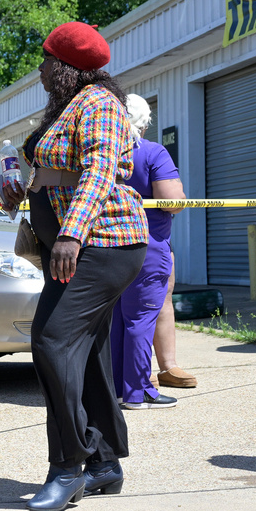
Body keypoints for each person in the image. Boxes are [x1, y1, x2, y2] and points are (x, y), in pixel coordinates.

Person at [1, 22, 149, 511]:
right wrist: (24, 193)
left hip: (104, 245)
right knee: (85, 351)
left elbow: (100, 170)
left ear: (67, 67)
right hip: (79, 244)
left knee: (50, 340)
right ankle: (105, 461)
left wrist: (70, 232)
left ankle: (68, 466)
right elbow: (55, 171)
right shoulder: (66, 105)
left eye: (46, 60)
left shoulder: (101, 104)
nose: (40, 69)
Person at [111, 94, 186, 410]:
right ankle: (139, 392)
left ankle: (117, 388)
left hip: (110, 244)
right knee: (142, 318)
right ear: (144, 123)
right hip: (148, 244)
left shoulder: (105, 155)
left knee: (117, 318)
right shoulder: (154, 152)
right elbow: (172, 201)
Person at [152, 257, 197, 387]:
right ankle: (136, 368)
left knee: (165, 290)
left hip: (159, 237)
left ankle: (168, 366)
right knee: (134, 291)